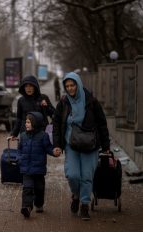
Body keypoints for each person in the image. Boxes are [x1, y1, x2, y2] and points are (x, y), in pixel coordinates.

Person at [52, 72, 110, 221]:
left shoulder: (91, 101)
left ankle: (84, 204)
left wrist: (106, 146)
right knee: (72, 175)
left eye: (73, 85)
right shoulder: (63, 103)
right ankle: (76, 196)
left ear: (78, 84)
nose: (70, 88)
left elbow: (102, 124)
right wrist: (57, 144)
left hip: (91, 144)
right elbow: (56, 124)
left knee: (87, 177)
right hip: (71, 144)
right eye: (67, 86)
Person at [17, 111, 58, 218]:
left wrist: (53, 152)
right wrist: (19, 158)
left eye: (29, 122)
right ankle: (27, 207)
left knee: (39, 188)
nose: (26, 124)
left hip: (38, 169)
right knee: (27, 188)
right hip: (26, 168)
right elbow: (19, 149)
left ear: (35, 123)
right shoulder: (23, 136)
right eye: (26, 122)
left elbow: (48, 148)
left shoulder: (43, 136)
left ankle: (39, 204)